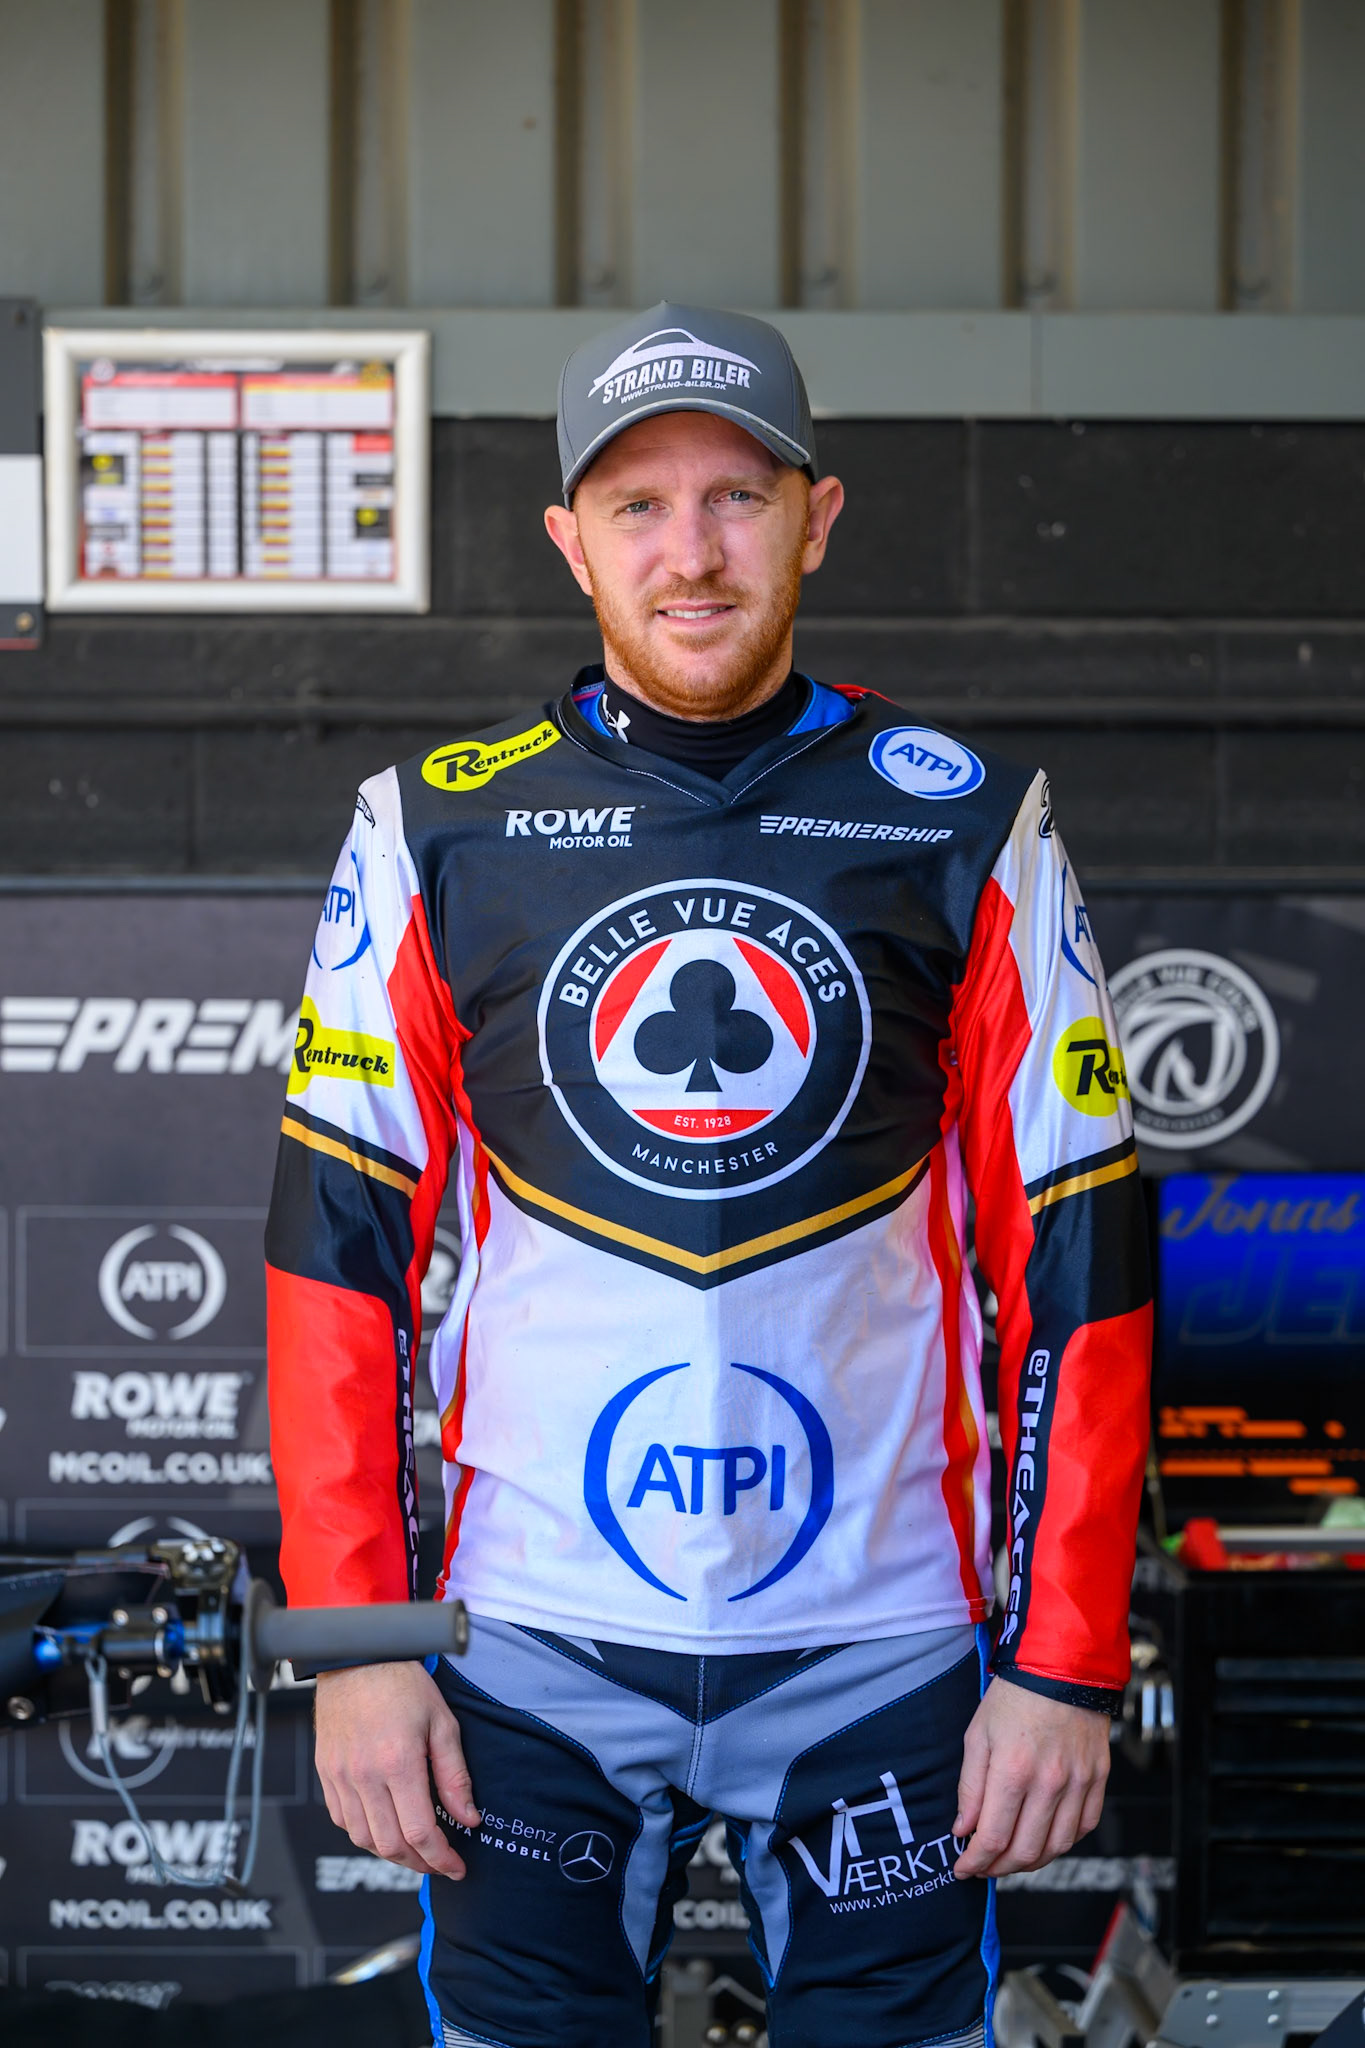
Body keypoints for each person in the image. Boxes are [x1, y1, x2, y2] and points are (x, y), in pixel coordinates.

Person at [267, 302, 1151, 2048]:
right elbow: (335, 1254)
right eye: (639, 506)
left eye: (737, 497)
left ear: (816, 520)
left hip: (881, 1644)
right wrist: (361, 1641)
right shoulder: (432, 825)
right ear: (568, 541)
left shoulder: (969, 817)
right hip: (531, 1646)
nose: (689, 554)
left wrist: (1060, 1662)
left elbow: (1082, 1254)